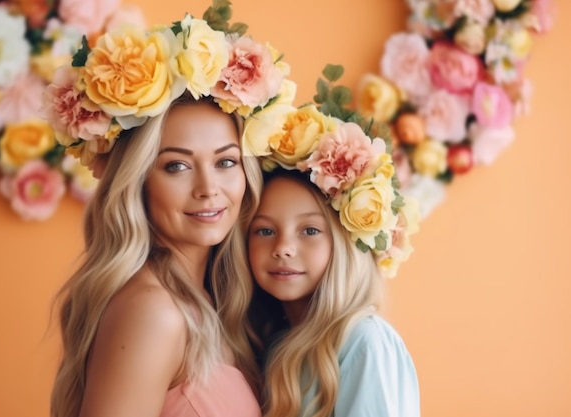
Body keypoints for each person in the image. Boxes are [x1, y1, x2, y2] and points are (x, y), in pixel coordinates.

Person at [43, 10, 292, 417]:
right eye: (176, 165)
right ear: (138, 180)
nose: (208, 188)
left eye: (226, 162)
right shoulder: (153, 313)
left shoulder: (215, 303)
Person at [242, 109, 421, 417]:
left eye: (309, 230)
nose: (283, 248)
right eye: (265, 230)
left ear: (344, 245)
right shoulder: (274, 343)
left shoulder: (363, 341)